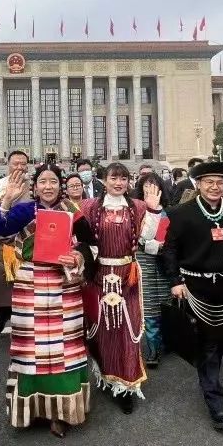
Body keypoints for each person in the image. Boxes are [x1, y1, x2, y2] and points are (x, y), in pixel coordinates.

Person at [0, 164, 95, 438]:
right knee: (31, 348)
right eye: (42, 182)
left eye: (52, 181)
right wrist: (7, 201)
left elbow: (91, 245)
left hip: (64, 284)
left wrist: (78, 257)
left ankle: (62, 412)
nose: (47, 187)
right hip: (29, 283)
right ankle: (31, 408)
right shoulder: (24, 211)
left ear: (60, 185)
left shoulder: (73, 212)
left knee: (64, 349)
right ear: (34, 186)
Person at [162, 161, 223, 431]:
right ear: (199, 185)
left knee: (220, 340)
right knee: (208, 344)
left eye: (219, 182)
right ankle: (216, 401)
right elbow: (170, 250)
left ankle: (211, 380)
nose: (215, 187)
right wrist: (175, 281)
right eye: (209, 182)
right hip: (195, 287)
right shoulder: (182, 214)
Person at [81, 164, 160, 415]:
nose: (119, 182)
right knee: (102, 330)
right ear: (104, 180)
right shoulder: (89, 206)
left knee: (128, 329)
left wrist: (153, 209)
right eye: (114, 177)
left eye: (124, 178)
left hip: (128, 276)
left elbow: (146, 237)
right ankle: (107, 376)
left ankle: (126, 386)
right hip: (100, 274)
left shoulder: (137, 206)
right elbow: (82, 241)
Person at [0, 150, 32, 336]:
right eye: (15, 163)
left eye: (23, 164)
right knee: (2, 287)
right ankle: (2, 319)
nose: (19, 167)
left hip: (26, 244)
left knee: (25, 285)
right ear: (8, 165)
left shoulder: (33, 185)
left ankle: (25, 321)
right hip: (3, 245)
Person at [130, 171, 170, 369]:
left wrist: (166, 247)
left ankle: (168, 341)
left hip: (165, 264)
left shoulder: (169, 211)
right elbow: (138, 239)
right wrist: (156, 246)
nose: (150, 188)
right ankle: (153, 347)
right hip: (144, 263)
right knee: (150, 307)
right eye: (146, 185)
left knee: (166, 303)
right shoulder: (136, 210)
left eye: (154, 184)